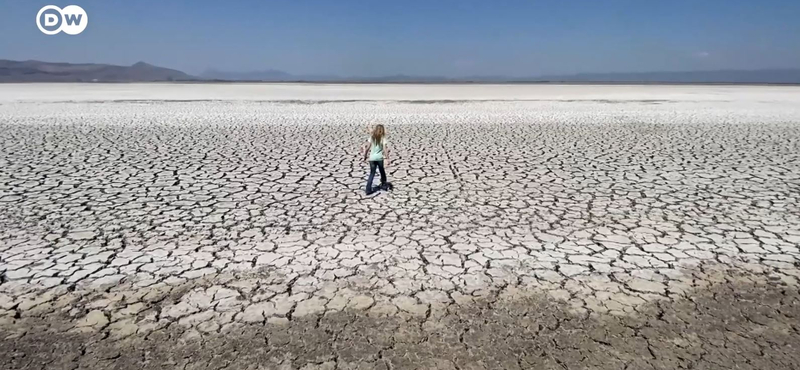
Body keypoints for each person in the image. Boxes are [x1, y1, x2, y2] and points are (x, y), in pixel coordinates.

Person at [362, 124, 392, 195]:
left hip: (372, 158)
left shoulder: (372, 137)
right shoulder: (382, 138)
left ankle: (368, 189)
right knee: (382, 172)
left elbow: (367, 148)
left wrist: (365, 156)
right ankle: (384, 185)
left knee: (372, 173)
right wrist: (388, 158)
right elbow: (385, 149)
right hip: (379, 158)